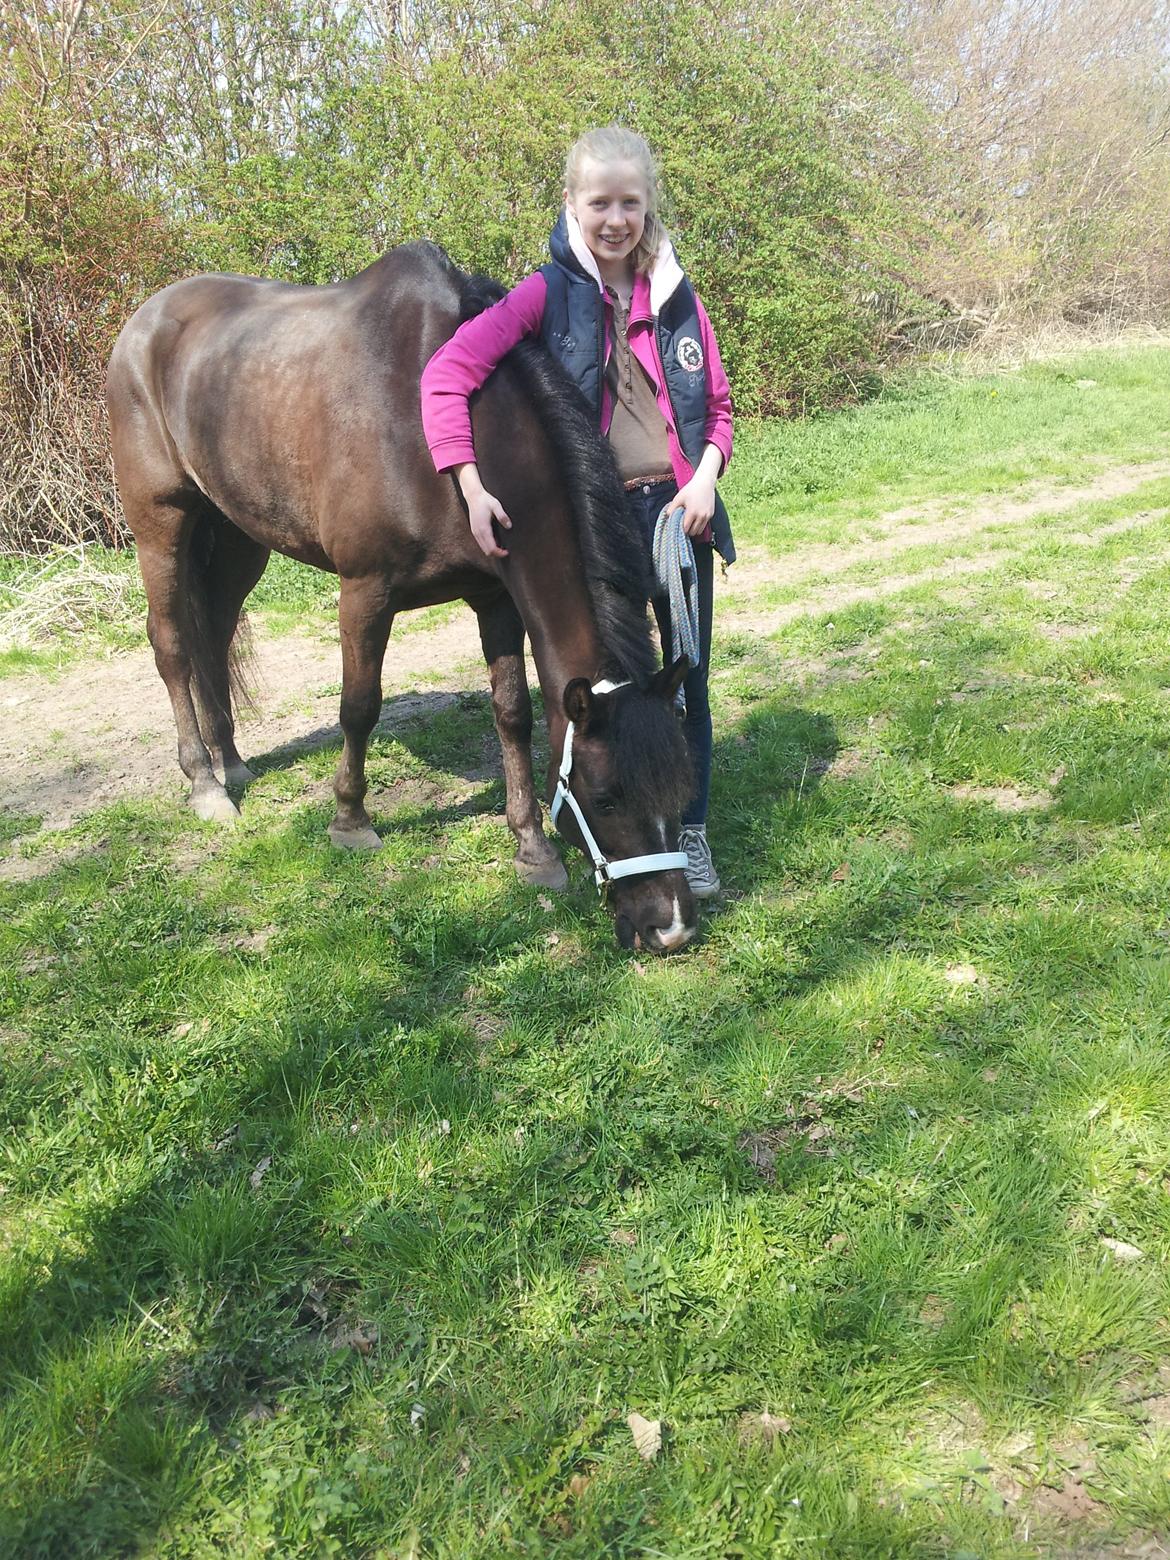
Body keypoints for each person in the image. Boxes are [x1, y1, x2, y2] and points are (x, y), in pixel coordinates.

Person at [420, 125, 735, 897]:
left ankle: (687, 832)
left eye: (630, 201)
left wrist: (705, 481)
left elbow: (718, 410)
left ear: (648, 203)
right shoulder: (544, 294)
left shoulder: (679, 299)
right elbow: (446, 375)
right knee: (618, 687)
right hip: (599, 528)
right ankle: (619, 820)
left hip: (680, 519)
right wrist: (468, 482)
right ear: (573, 204)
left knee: (685, 684)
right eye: (600, 202)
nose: (616, 218)